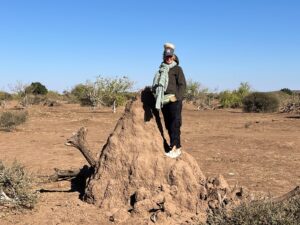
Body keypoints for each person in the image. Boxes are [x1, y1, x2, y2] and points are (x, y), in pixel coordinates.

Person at [152, 43, 187, 158]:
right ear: (164, 57)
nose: (169, 58)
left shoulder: (177, 69)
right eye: (167, 57)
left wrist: (177, 97)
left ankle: (175, 148)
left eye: (170, 57)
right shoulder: (161, 71)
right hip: (163, 100)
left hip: (174, 100)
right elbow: (157, 85)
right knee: (168, 124)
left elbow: (182, 85)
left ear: (173, 57)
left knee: (175, 124)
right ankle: (175, 146)